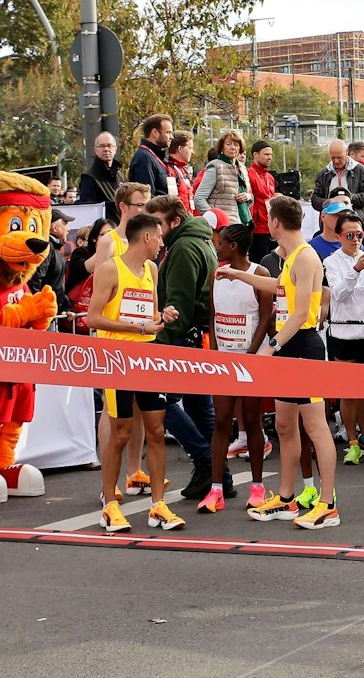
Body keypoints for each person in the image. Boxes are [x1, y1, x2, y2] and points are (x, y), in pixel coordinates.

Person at [218, 194, 341, 529]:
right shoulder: (290, 257)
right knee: (286, 425)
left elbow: (301, 313)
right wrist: (238, 275)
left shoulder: (304, 256)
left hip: (302, 347)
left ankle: (328, 503)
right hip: (288, 346)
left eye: (267, 218)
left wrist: (270, 347)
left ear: (274, 222)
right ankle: (286, 500)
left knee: (315, 427)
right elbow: (279, 288)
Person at [85, 212, 186, 534]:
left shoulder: (151, 269)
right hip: (118, 359)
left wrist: (161, 315)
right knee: (121, 433)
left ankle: (158, 505)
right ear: (145, 238)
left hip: (148, 357)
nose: (161, 244)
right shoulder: (110, 269)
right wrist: (136, 326)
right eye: (159, 237)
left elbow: (148, 313)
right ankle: (109, 505)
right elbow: (93, 318)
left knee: (156, 431)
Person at [148, 195, 218, 499]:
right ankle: (219, 476)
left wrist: (158, 342)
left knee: (160, 399)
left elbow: (179, 303)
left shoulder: (183, 247)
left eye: (158, 223)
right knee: (201, 408)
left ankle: (205, 459)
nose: (155, 231)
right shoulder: (197, 241)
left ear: (175, 221)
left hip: (181, 337)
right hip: (197, 337)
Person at [203, 224, 274, 514]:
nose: (216, 247)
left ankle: (257, 488)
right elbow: (213, 317)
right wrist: (218, 353)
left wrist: (250, 354)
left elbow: (267, 317)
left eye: (220, 243)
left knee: (252, 420)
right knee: (221, 421)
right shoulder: (216, 274)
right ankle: (216, 489)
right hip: (224, 361)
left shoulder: (260, 274)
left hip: (251, 361)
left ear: (233, 246)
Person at [323, 213, 364, 464]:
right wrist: (356, 268)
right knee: (347, 393)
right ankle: (352, 442)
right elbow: (338, 294)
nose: (355, 240)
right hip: (343, 331)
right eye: (349, 235)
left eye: (359, 234)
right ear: (339, 237)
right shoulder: (331, 261)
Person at [194, 130, 255, 224]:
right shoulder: (215, 167)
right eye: (228, 144)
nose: (232, 147)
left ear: (240, 148)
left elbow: (250, 197)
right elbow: (199, 198)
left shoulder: (242, 169)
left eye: (236, 144)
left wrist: (248, 196)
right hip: (223, 226)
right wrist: (214, 219)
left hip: (243, 223)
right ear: (222, 147)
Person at [310, 139, 364, 218]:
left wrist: (348, 198)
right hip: (330, 222)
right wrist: (329, 202)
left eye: (339, 157)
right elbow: (315, 199)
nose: (336, 161)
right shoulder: (323, 174)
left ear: (346, 153)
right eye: (333, 158)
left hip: (354, 221)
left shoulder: (361, 170)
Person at [77, 131, 124, 222]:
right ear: (95, 150)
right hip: (103, 231)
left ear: (115, 149)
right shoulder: (89, 177)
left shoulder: (119, 175)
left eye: (109, 145)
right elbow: (87, 211)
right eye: (102, 146)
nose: (106, 149)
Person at [129, 114, 174, 199]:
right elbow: (147, 198)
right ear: (155, 133)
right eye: (168, 133)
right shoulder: (144, 158)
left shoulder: (157, 157)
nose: (172, 137)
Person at [167, 131, 197, 215]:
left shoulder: (182, 170)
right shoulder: (169, 170)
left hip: (187, 218)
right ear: (180, 149)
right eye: (190, 148)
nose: (192, 152)